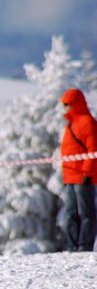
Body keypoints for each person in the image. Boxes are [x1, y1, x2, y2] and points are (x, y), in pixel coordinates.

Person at [59, 88, 97, 251]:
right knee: (69, 214)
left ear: (75, 104)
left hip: (83, 176)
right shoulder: (71, 123)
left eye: (67, 104)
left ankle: (84, 246)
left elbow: (92, 150)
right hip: (70, 176)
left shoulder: (87, 122)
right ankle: (72, 246)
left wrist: (87, 173)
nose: (64, 107)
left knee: (86, 213)